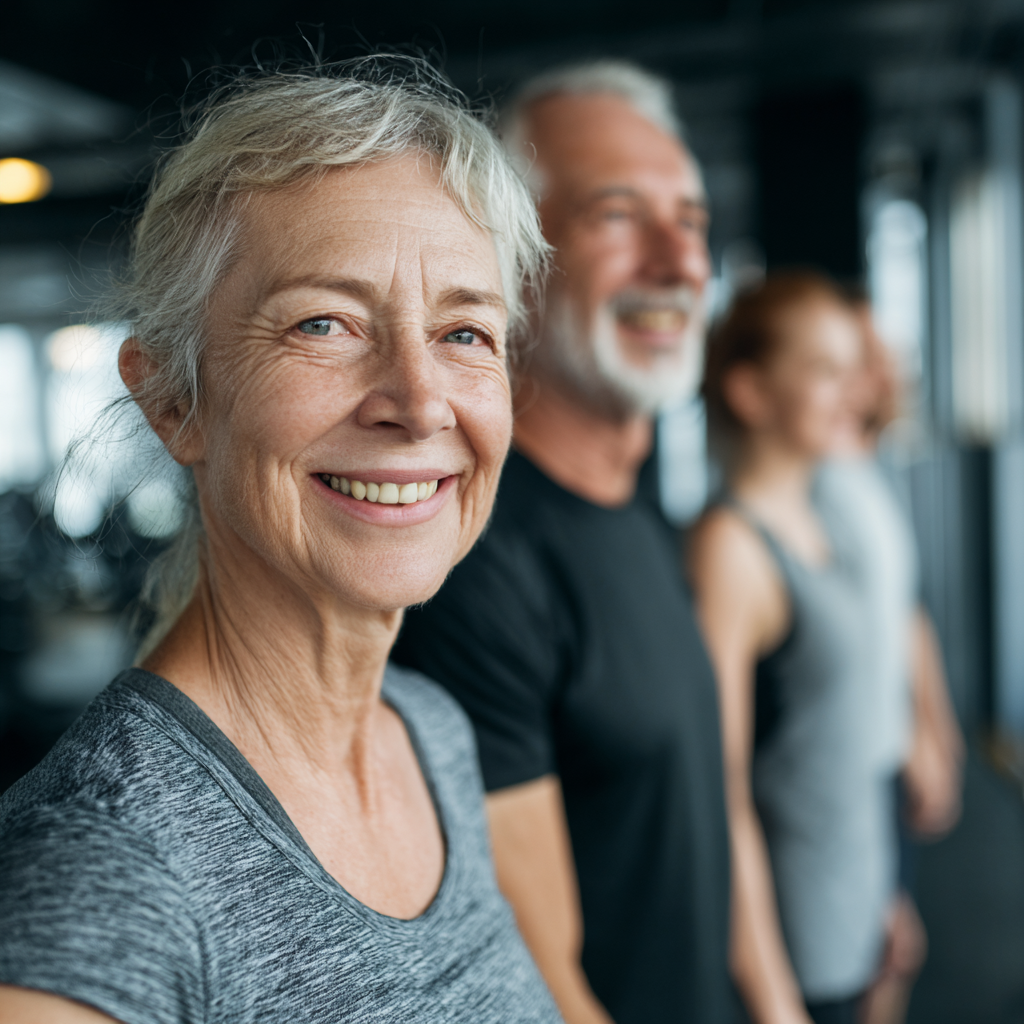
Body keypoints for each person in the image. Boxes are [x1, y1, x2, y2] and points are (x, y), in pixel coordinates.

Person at [0, 63, 564, 1024]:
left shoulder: (430, 733)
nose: (421, 401)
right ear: (175, 401)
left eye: (465, 332)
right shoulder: (99, 871)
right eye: (324, 323)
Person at [393, 62, 732, 1024]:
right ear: (516, 270)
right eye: (619, 217)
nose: (678, 262)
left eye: (693, 220)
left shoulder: (637, 511)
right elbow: (541, 986)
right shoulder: (477, 565)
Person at [688, 272, 902, 1024]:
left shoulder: (827, 522)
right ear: (751, 393)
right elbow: (723, 788)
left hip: (855, 917)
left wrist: (886, 896)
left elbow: (839, 741)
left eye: (855, 368)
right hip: (793, 959)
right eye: (825, 370)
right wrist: (773, 996)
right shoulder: (731, 549)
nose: (856, 391)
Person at [820, 299, 964, 1024]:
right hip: (855, 763)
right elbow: (849, 644)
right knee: (878, 956)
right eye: (859, 355)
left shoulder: (867, 466)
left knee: (891, 952)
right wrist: (912, 738)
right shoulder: (819, 479)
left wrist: (937, 727)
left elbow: (903, 614)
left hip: (885, 751)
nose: (884, 368)